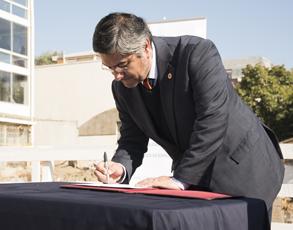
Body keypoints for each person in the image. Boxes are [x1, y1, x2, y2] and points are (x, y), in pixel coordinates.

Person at [93, 12, 284, 221]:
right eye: (109, 68)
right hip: (193, 179)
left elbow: (213, 118)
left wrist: (181, 179)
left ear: (145, 47)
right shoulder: (121, 88)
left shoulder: (197, 53)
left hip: (243, 168)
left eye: (122, 65)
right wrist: (119, 168)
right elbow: (132, 138)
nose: (117, 75)